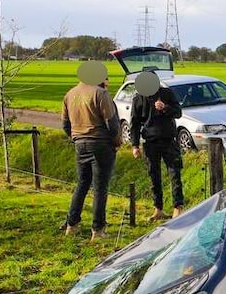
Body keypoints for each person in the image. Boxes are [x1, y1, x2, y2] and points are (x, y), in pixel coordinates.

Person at [62, 62, 122, 241]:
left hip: (80, 144)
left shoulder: (70, 94)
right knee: (100, 188)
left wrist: (75, 138)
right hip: (101, 143)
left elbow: (65, 125)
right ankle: (98, 229)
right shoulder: (100, 93)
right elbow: (112, 123)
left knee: (82, 184)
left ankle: (71, 225)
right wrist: (116, 142)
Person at [129, 73, 185, 220]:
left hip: (169, 140)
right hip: (150, 142)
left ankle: (178, 207)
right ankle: (158, 209)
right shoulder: (138, 98)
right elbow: (134, 123)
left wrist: (165, 107)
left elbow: (178, 112)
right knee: (154, 176)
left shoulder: (166, 93)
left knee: (175, 174)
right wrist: (134, 145)